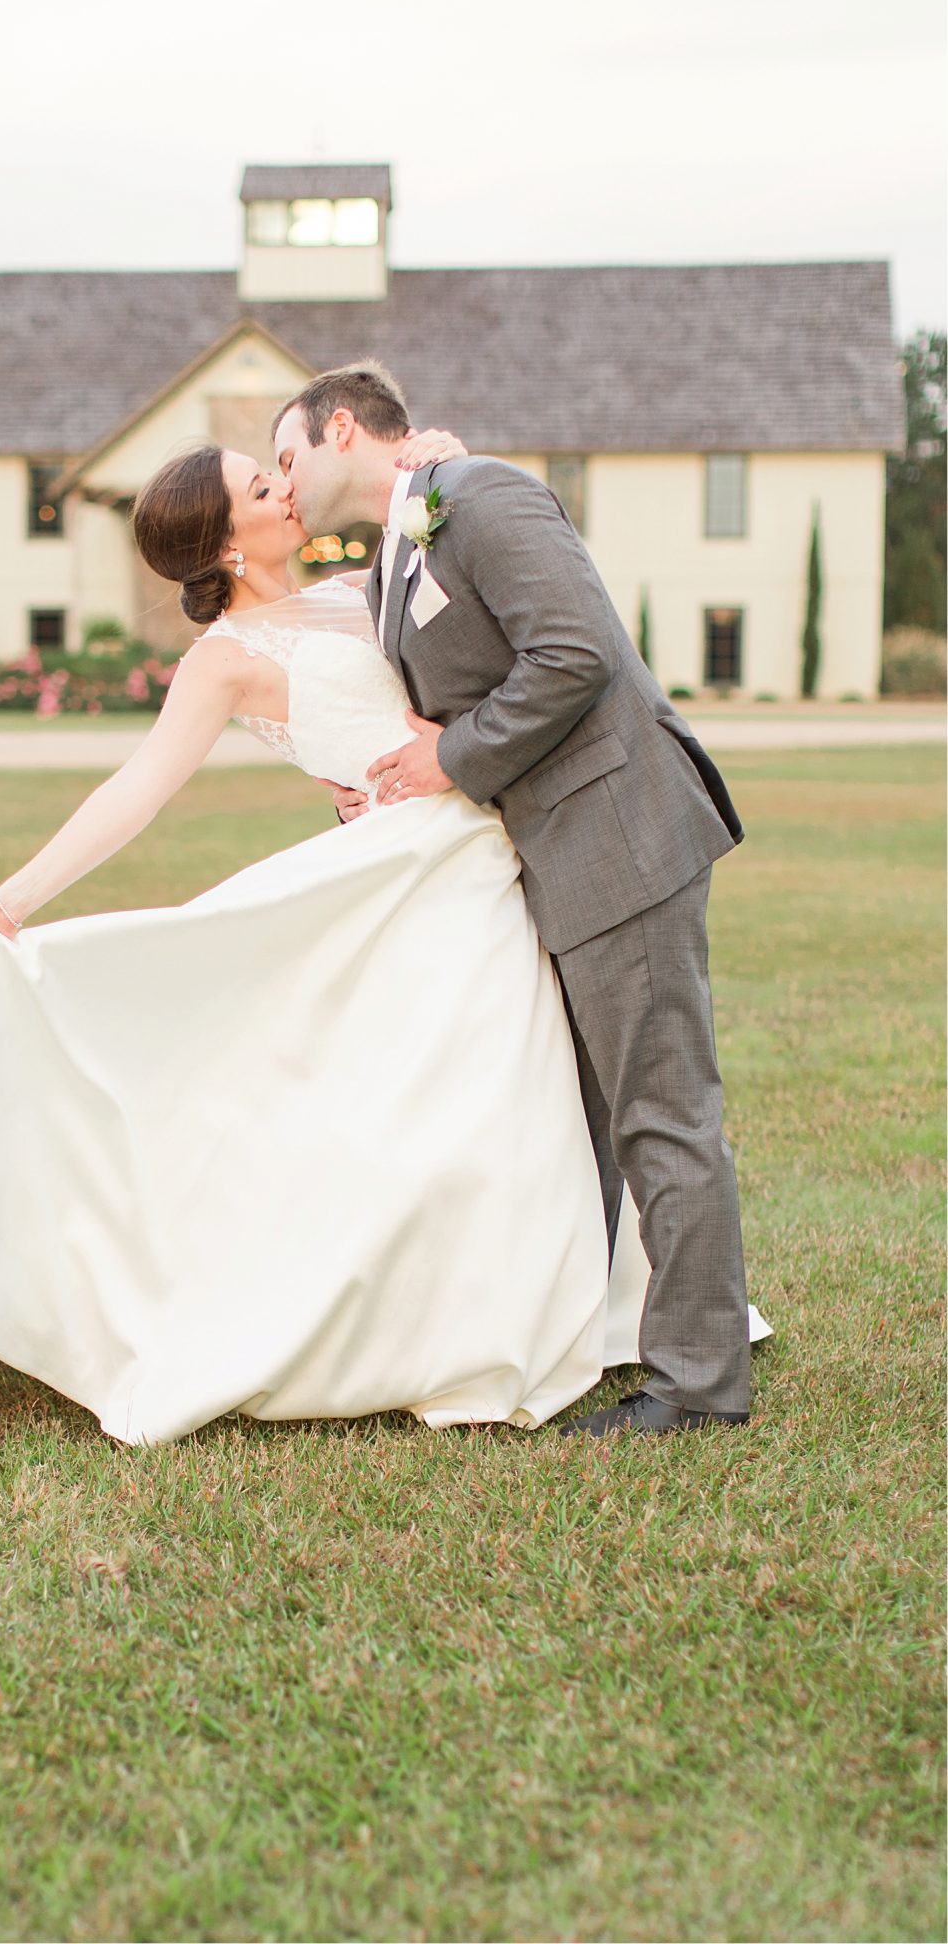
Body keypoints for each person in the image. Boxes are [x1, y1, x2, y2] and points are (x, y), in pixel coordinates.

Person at [0, 424, 768, 1441]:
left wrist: (436, 464)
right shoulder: (226, 656)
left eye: (275, 468)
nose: (282, 486)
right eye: (256, 483)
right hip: (410, 882)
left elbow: (465, 596)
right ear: (223, 539)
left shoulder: (368, 582)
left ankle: (580, 1308)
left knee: (522, 1110)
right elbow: (136, 788)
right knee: (439, 1114)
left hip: (498, 858)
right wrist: (18, 892)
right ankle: (448, 1321)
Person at [273, 364, 752, 1436]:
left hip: (618, 831)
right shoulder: (398, 545)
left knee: (662, 1111)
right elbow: (430, 692)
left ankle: (699, 1382)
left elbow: (574, 651)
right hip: (548, 853)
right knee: (571, 1118)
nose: (281, 483)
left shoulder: (478, 495)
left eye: (286, 457)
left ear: (340, 425)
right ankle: (581, 1339)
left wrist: (455, 754)